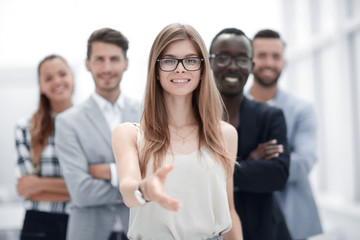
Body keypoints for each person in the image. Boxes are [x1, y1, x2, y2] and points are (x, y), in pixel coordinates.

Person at [112, 23, 243, 240]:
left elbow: (228, 210)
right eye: (169, 60)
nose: (180, 68)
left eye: (191, 60)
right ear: (155, 70)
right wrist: (145, 190)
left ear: (202, 71)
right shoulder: (129, 134)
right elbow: (128, 191)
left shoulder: (224, 134)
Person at [55, 28, 141, 240]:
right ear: (87, 64)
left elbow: (156, 171)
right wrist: (140, 190)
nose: (107, 68)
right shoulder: (68, 121)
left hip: (139, 230)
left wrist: (109, 172)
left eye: (114, 59)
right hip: (88, 233)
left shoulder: (146, 113)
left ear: (126, 63)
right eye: (99, 59)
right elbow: (81, 192)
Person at [209, 28, 292, 240]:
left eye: (242, 60)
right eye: (223, 58)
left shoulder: (270, 117)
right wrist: (249, 162)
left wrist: (218, 171)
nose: (232, 66)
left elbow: (277, 176)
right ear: (209, 62)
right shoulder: (195, 120)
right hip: (211, 231)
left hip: (265, 230)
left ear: (251, 66)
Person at [247, 29, 323, 240]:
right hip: (246, 219)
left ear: (284, 62)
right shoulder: (231, 109)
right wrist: (280, 156)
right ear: (249, 60)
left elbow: (304, 163)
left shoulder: (302, 109)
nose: (269, 63)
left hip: (292, 221)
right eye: (261, 55)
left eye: (276, 56)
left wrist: (250, 162)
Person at [15, 54, 73, 240]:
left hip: (80, 221)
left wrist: (40, 185)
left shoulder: (89, 124)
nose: (57, 81)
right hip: (38, 223)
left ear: (72, 77)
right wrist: (78, 188)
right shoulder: (25, 126)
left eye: (62, 74)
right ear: (41, 86)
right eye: (48, 78)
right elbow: (26, 189)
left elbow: (99, 188)